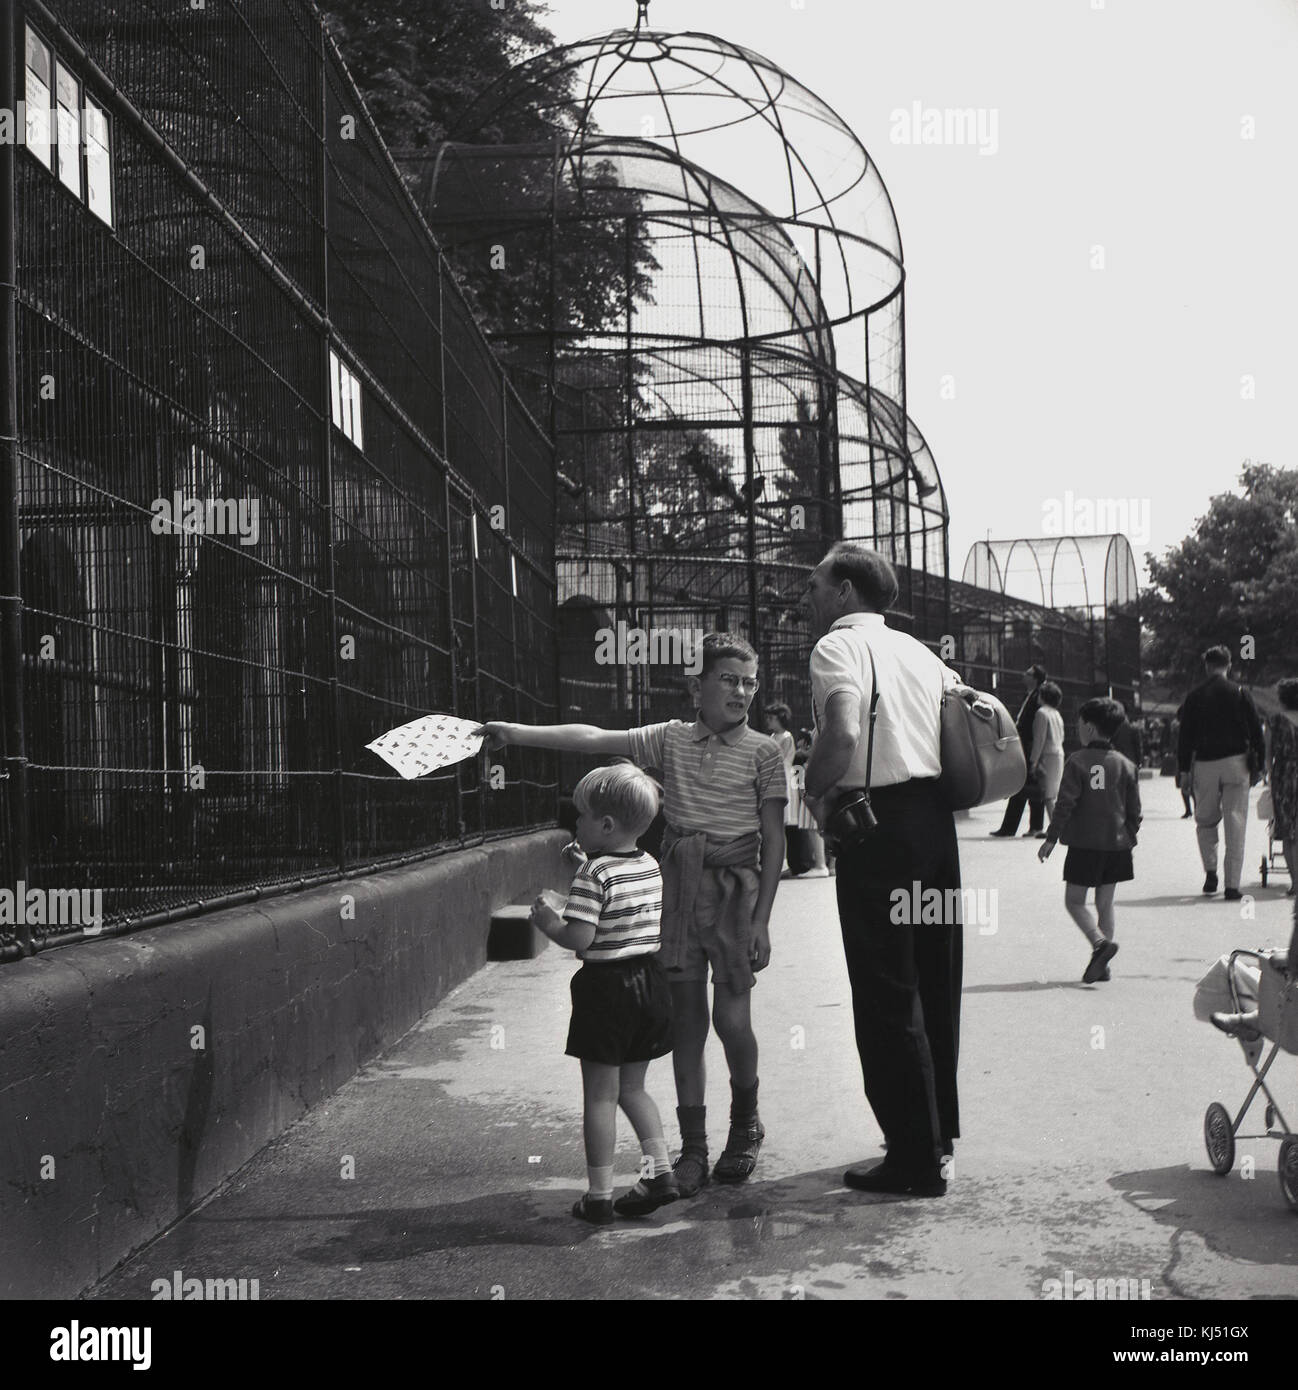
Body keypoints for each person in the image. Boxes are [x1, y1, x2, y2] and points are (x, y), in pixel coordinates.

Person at [481, 632, 786, 1196]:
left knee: (732, 1021)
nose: (743, 691)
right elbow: (594, 738)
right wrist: (515, 733)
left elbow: (773, 838)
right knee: (688, 1023)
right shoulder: (668, 740)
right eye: (729, 679)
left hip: (736, 897)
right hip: (680, 890)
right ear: (697, 686)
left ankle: (745, 1122)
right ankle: (692, 1147)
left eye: (750, 682)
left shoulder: (765, 752)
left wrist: (763, 918)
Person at [801, 543, 963, 1198]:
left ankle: (913, 1159)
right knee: (935, 978)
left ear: (845, 592)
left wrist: (813, 791)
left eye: (814, 586)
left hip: (877, 829)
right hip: (934, 825)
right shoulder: (923, 654)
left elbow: (840, 736)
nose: (805, 597)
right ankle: (937, 1136)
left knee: (886, 989)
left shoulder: (837, 649)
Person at [527, 763, 677, 1223]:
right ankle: (660, 1173)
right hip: (649, 985)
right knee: (633, 1089)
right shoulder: (648, 864)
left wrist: (548, 919)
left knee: (598, 1095)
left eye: (583, 817)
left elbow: (580, 938)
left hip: (606, 990)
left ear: (606, 825)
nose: (576, 824)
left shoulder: (594, 873)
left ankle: (598, 1197)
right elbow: (620, 897)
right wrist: (588, 865)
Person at [1038, 697, 1142, 984]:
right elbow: (1135, 810)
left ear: (1091, 728)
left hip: (1085, 844)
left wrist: (1051, 838)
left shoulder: (1077, 762)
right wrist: (1129, 833)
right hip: (1117, 844)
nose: (1077, 727)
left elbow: (1065, 804)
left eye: (1080, 723)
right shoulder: (1126, 764)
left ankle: (1099, 944)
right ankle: (1103, 965)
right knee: (1105, 903)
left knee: (1074, 901)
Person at [1177, 646, 1266, 900]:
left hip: (1205, 763)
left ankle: (1211, 871)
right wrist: (1258, 766)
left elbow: (1185, 738)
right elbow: (1256, 733)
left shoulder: (1194, 696)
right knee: (1235, 821)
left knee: (1205, 820)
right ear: (1229, 665)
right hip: (1237, 762)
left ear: (1207, 666)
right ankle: (1232, 885)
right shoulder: (1240, 692)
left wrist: (1184, 769)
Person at [990, 664, 1048, 837]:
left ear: (1035, 678)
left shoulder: (1038, 696)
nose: (1024, 675)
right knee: (1024, 786)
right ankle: (1022, 827)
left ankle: (1025, 827)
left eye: (1028, 673)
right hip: (1024, 746)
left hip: (1029, 747)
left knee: (1027, 786)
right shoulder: (1029, 695)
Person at [1267, 678, 1298, 895]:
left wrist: (1270, 778)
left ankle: (1296, 882)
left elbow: (1268, 754)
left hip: (1285, 776)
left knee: (1288, 832)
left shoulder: (1275, 721)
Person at [1028, 681, 1067, 831]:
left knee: (1048, 796)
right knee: (1053, 794)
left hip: (1047, 756)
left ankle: (1056, 829)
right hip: (1058, 754)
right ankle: (1056, 827)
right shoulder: (1056, 714)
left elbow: (1039, 739)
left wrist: (1034, 761)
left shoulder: (1041, 713)